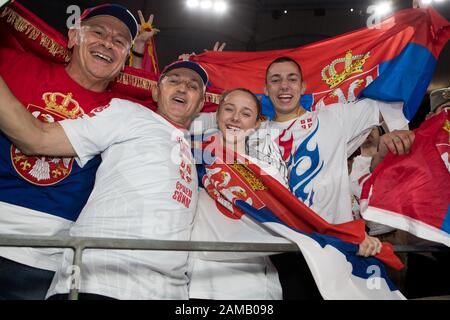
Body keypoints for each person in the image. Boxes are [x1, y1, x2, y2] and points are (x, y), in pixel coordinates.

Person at [0, 58, 208, 299]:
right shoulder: (127, 113)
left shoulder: (196, 150)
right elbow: (37, 138)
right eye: (173, 81)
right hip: (100, 283)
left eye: (193, 86)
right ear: (155, 91)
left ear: (201, 104)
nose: (182, 88)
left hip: (168, 292)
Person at [0, 3, 140, 299]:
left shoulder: (128, 113)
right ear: (74, 37)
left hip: (44, 263)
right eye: (98, 32)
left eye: (119, 41)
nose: (107, 43)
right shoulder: (13, 63)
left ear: (126, 58)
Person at [260, 56, 415, 299]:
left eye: (292, 79)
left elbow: (389, 95)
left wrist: (417, 36)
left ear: (303, 87)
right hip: (285, 252)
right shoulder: (256, 135)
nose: (284, 86)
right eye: (275, 80)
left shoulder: (333, 118)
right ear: (265, 89)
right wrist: (208, 68)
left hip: (335, 249)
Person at [188, 88, 288, 300]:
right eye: (229, 109)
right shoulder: (194, 159)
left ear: (257, 124)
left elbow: (288, 221)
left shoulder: (266, 172)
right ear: (217, 115)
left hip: (251, 287)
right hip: (198, 285)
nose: (235, 118)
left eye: (245, 113)